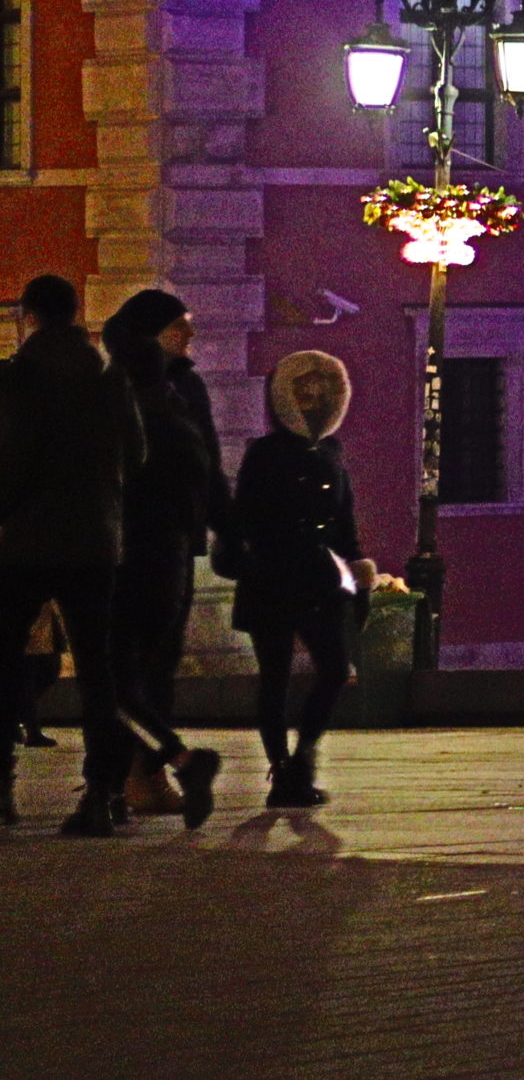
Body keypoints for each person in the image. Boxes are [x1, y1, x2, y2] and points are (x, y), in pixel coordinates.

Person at [0, 274, 147, 835]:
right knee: (96, 671)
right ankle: (102, 795)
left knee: (4, 658)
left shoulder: (19, 376)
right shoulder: (110, 377)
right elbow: (136, 454)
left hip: (28, 541)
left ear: (30, 316)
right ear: (75, 312)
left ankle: (1, 786)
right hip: (96, 541)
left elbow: (11, 458)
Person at [224, 351, 370, 808]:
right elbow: (245, 517)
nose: (313, 395)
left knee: (334, 669)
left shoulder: (332, 451)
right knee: (275, 678)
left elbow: (343, 519)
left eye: (321, 387)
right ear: (283, 394)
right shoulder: (264, 452)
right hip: (271, 577)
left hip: (318, 578)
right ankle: (281, 770)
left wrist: (358, 568)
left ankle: (303, 758)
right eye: (302, 387)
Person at [101, 292, 228, 811]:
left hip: (139, 545)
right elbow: (206, 467)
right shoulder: (153, 394)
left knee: (136, 672)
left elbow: (209, 467)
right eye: (180, 325)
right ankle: (133, 779)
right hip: (151, 547)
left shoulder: (173, 388)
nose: (190, 334)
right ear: (152, 336)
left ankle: (138, 778)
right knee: (134, 670)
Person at [19, 599, 66, 748]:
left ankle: (17, 719)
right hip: (32, 615)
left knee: (42, 672)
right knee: (31, 675)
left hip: (39, 615)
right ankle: (30, 729)